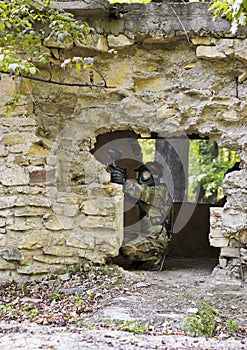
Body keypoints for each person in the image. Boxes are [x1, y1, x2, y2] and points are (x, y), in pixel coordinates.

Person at [110, 159, 173, 271]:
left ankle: (157, 257)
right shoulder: (147, 192)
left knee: (127, 250)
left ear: (154, 176)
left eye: (145, 174)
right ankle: (140, 259)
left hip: (157, 239)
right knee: (115, 238)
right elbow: (132, 196)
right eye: (141, 173)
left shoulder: (160, 191)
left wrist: (124, 181)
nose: (141, 176)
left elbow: (138, 192)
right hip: (145, 235)